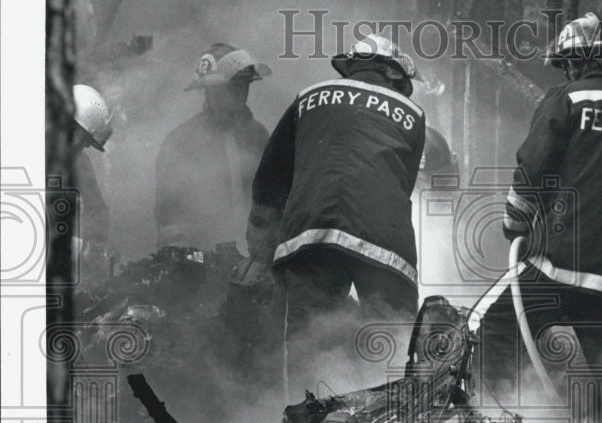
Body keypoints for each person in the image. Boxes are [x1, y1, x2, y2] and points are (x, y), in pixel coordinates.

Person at [477, 12, 602, 400]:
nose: (566, 73)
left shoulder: (567, 99)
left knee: (496, 326)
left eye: (566, 64)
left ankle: (494, 421)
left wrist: (515, 225)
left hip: (564, 265)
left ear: (579, 61)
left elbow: (533, 167)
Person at [247, 34, 426, 399]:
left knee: (307, 346)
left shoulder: (309, 97)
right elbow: (401, 184)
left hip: (309, 234)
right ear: (394, 76)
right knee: (392, 343)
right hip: (384, 244)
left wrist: (260, 234)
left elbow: (272, 173)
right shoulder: (413, 115)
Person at [155, 43, 271, 252]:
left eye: (244, 85)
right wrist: (184, 263)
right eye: (231, 86)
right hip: (201, 263)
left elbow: (274, 201)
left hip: (254, 260)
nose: (239, 93)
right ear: (209, 90)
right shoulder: (181, 142)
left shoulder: (258, 136)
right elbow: (170, 216)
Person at [72, 84, 113, 281]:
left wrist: (96, 245)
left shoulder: (80, 163)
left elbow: (97, 211)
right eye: (84, 140)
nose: (83, 148)